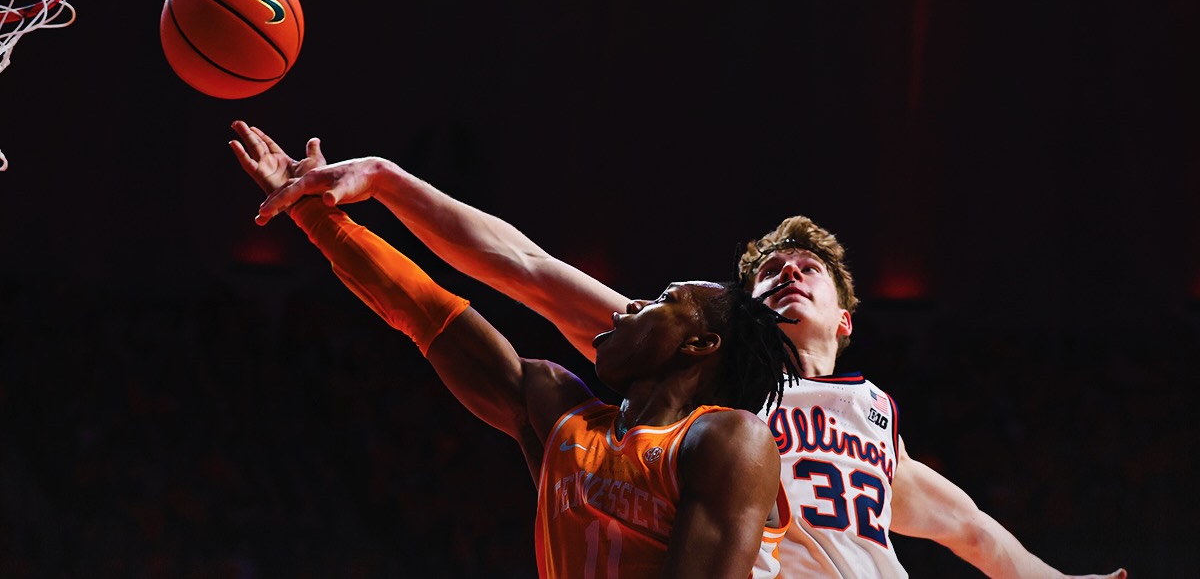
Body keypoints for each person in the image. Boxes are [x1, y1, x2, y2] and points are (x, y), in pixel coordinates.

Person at [232, 121, 1127, 579]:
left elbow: (972, 531)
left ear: (846, 319)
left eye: (807, 267)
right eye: (766, 268)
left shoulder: (869, 419)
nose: (785, 272)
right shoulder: (693, 364)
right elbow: (523, 268)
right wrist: (381, 182)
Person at [229, 121, 806, 578]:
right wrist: (310, 213)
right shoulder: (560, 412)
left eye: (661, 299)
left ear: (700, 343)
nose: (628, 307)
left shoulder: (731, 439)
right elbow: (426, 312)